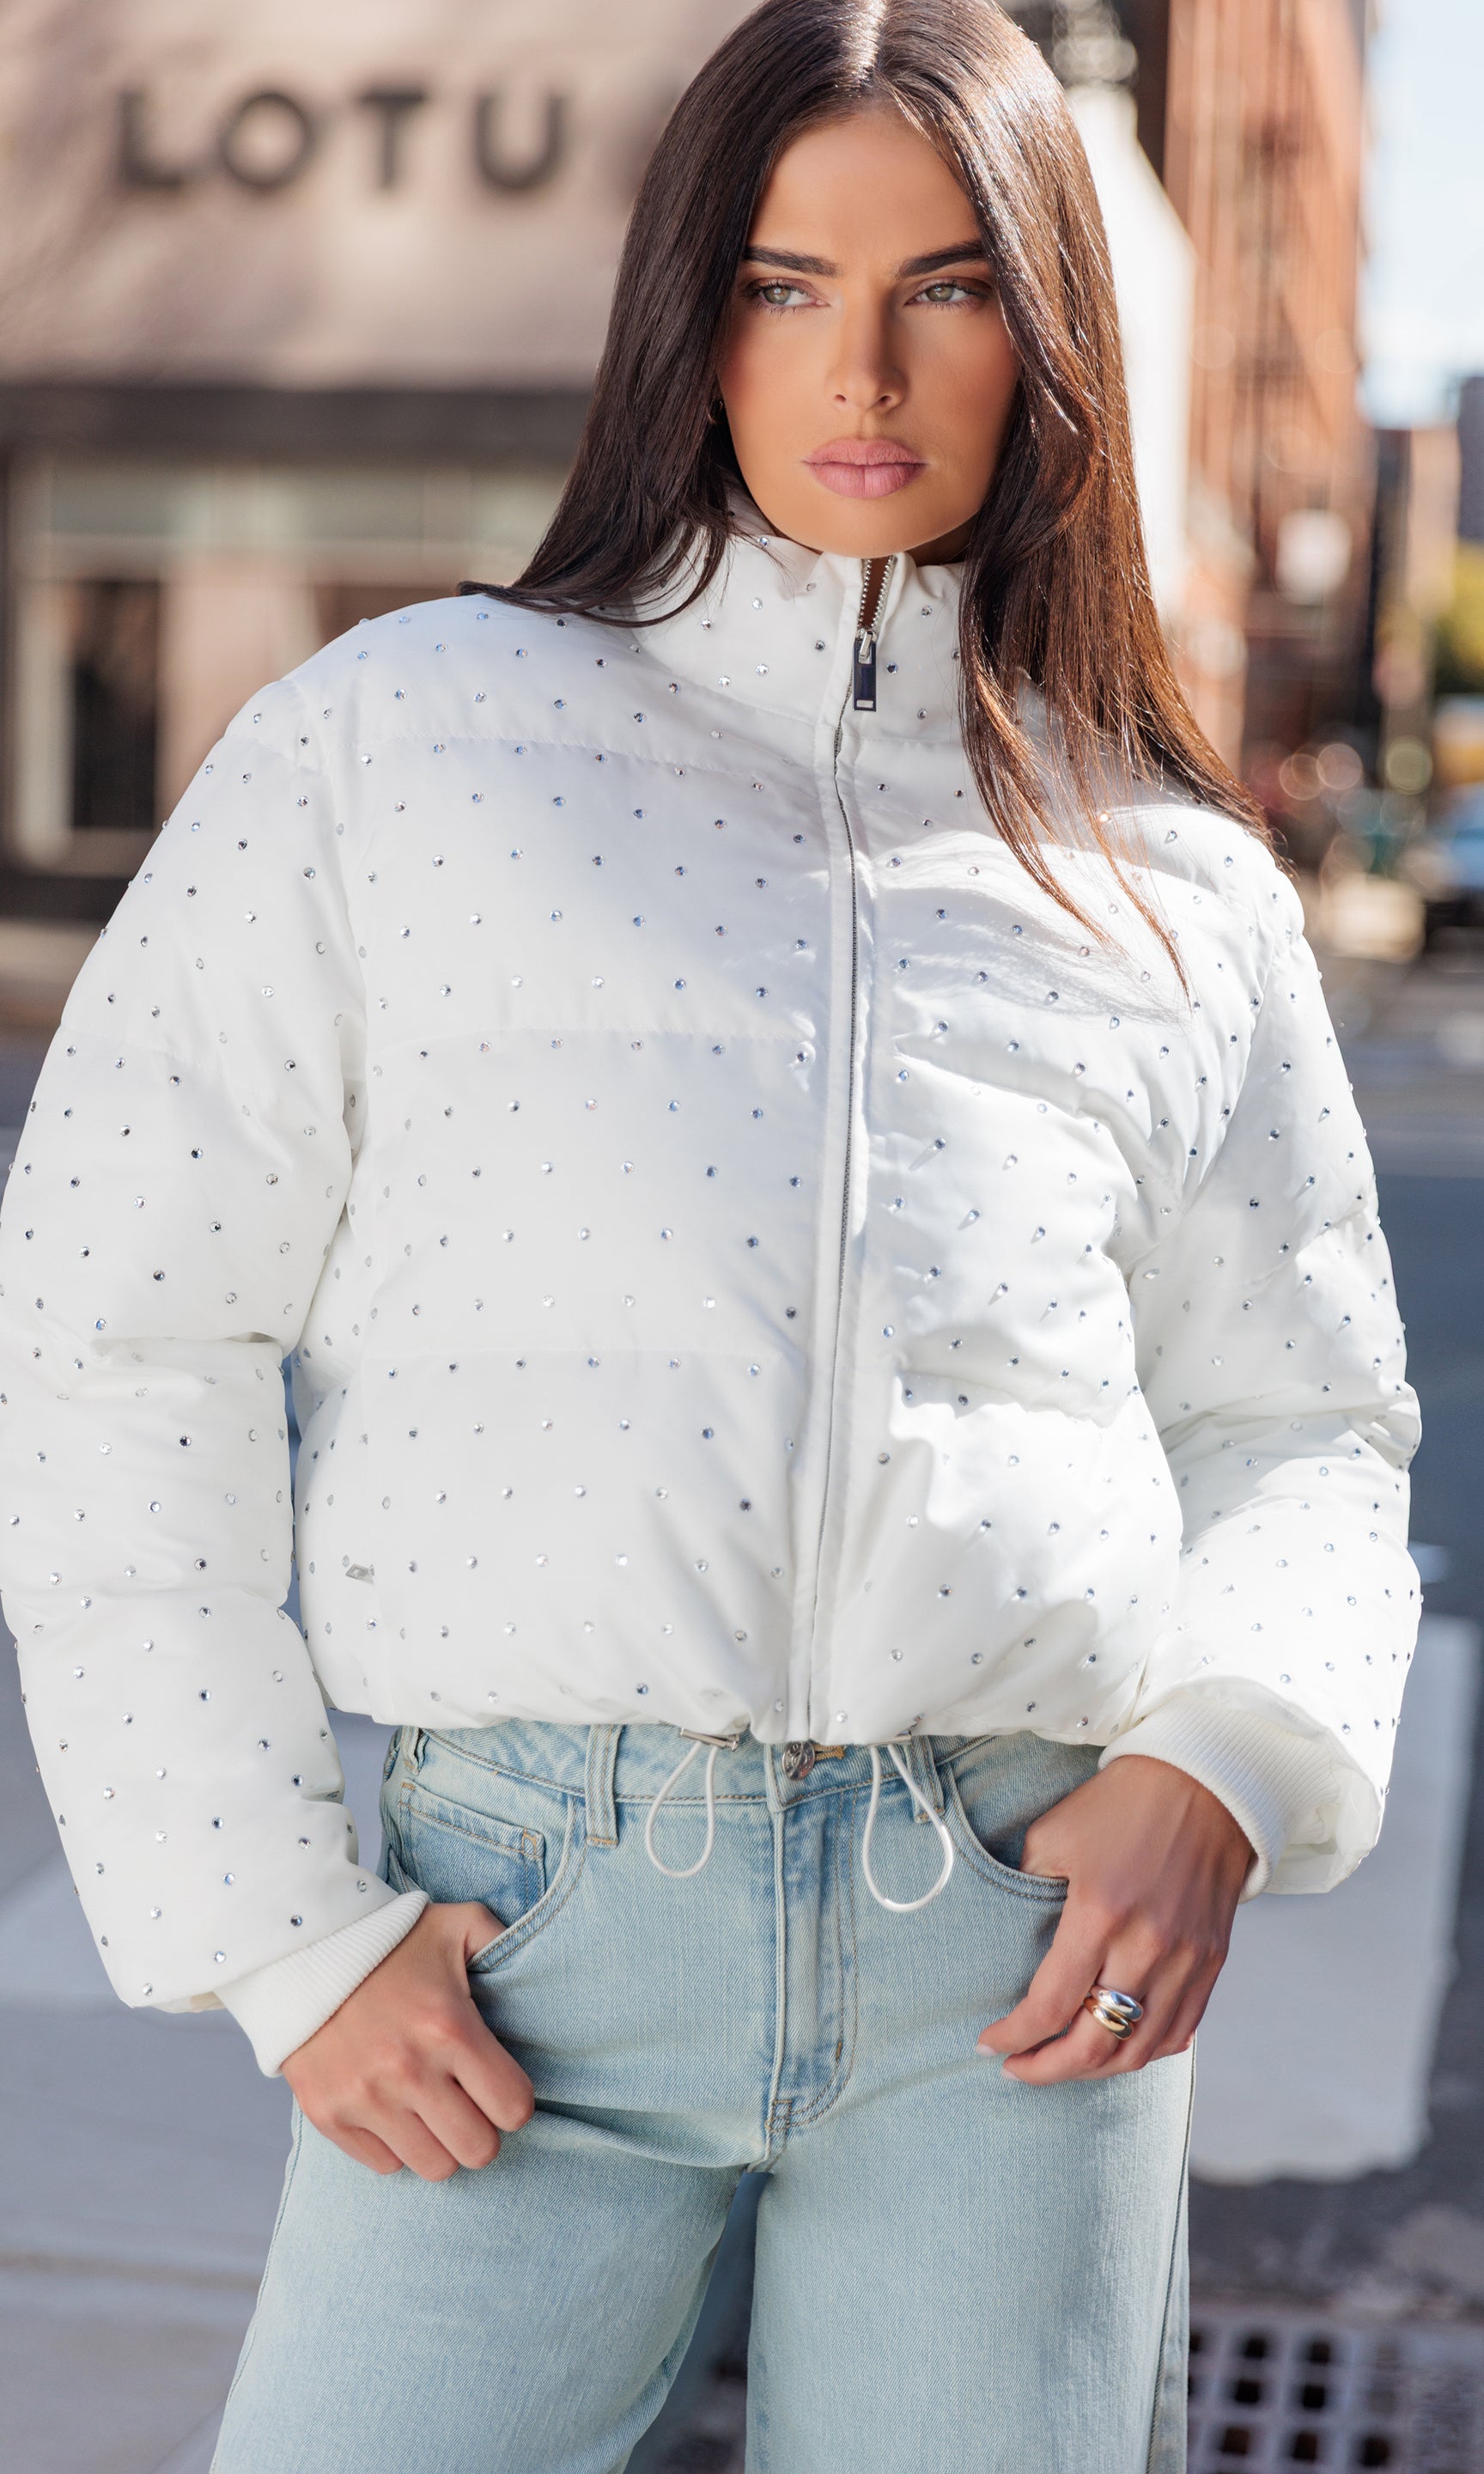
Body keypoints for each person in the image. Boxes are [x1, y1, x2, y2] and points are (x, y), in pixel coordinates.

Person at [0, 3, 1420, 2468]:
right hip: (525, 1946)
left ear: (1048, 338)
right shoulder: (399, 742)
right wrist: (279, 1932)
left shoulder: (1175, 883)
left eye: (948, 288)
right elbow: (119, 1330)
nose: (863, 368)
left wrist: (1222, 1766)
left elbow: (1304, 1416)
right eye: (785, 285)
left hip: (1015, 1960)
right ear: (690, 312)